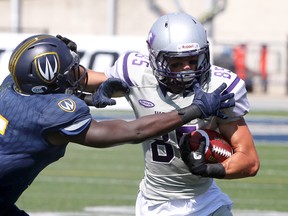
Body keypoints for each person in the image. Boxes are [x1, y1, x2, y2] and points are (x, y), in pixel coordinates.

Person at [0, 34, 235, 216]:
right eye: (69, 71)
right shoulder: (49, 113)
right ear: (47, 76)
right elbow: (134, 131)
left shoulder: (12, 85)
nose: (77, 74)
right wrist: (195, 110)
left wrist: (90, 98)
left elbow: (45, 102)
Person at [90, 12, 260, 215]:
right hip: (155, 205)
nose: (187, 69)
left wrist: (209, 170)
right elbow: (83, 80)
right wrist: (63, 64)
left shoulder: (218, 87)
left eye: (193, 60)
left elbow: (250, 161)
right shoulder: (137, 74)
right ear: (155, 59)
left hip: (206, 201)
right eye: (176, 63)